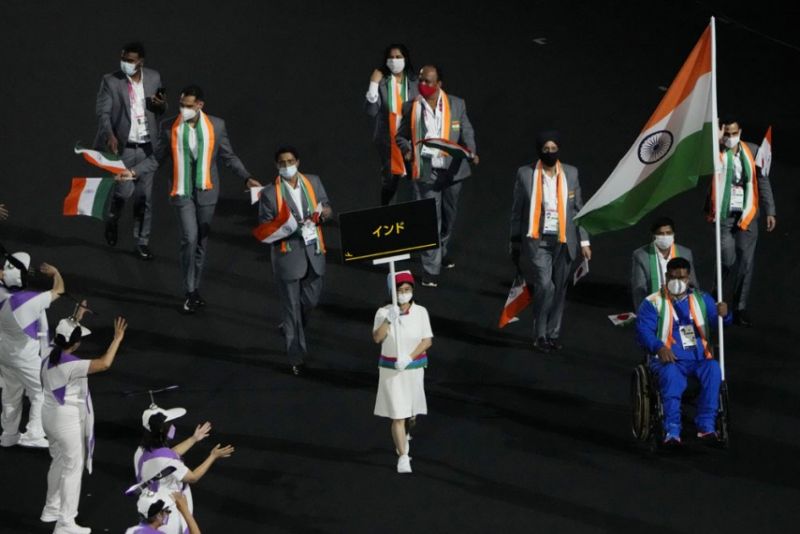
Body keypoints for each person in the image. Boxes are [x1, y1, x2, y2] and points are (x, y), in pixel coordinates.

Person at [122, 85, 260, 312]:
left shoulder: (217, 125)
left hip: (207, 191)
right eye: (181, 105)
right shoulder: (169, 127)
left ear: (199, 105)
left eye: (188, 106)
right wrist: (133, 172)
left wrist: (247, 178)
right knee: (189, 236)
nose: (183, 110)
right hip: (181, 191)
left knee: (201, 243)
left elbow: (228, 156)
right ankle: (189, 290)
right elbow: (156, 159)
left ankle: (194, 288)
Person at [40, 311, 127, 534]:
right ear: (76, 343)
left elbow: (64, 334)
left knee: (59, 461)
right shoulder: (72, 364)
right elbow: (105, 363)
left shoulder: (49, 351)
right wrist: (116, 339)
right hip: (65, 419)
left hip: (48, 415)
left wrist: (75, 318)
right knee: (72, 468)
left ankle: (51, 508)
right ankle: (65, 523)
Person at [396, 64, 478, 287]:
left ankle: (440, 251)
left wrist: (471, 150)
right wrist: (407, 150)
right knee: (429, 220)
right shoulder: (410, 107)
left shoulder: (457, 104)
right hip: (426, 172)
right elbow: (401, 136)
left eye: (428, 81)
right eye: (421, 80)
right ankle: (430, 269)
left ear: (439, 84)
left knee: (448, 217)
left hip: (453, 172)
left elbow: (466, 130)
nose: (423, 85)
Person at [509, 131, 591, 352]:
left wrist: (584, 242)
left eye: (554, 149)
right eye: (546, 149)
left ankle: (553, 334)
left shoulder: (571, 174)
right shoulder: (525, 174)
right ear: (539, 151)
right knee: (545, 286)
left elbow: (578, 209)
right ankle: (540, 334)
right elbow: (517, 210)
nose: (550, 153)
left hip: (565, 240)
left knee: (560, 289)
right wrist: (514, 241)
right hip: (538, 239)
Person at [636, 257, 732, 446]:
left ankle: (706, 426)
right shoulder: (652, 303)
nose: (678, 282)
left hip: (699, 358)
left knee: (714, 369)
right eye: (673, 277)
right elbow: (643, 331)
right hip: (668, 360)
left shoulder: (703, 299)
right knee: (671, 376)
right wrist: (659, 347)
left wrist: (725, 314)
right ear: (666, 276)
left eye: (682, 278)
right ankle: (672, 429)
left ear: (688, 278)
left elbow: (718, 323)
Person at [257, 146, 332, 376]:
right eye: (282, 162)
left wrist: (324, 214)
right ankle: (296, 357)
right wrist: (289, 227)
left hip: (314, 251)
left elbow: (326, 204)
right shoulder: (269, 193)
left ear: (298, 162)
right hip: (288, 256)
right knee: (291, 310)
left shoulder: (313, 181)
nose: (287, 166)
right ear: (276, 166)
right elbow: (265, 227)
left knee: (310, 300)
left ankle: (292, 326)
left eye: (290, 161)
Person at [94, 42, 167, 259]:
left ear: (141, 62)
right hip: (124, 147)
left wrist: (159, 104)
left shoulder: (153, 78)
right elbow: (103, 112)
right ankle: (113, 219)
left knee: (144, 197)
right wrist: (110, 134)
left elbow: (161, 110)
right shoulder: (110, 81)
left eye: (131, 60)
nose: (126, 63)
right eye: (123, 59)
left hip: (147, 146)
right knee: (123, 191)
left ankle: (142, 241)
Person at [706, 117, 776, 327]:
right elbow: (708, 166)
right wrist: (716, 143)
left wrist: (770, 210)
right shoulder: (716, 152)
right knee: (727, 259)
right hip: (724, 214)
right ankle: (715, 296)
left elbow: (763, 181)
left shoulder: (753, 151)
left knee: (746, 263)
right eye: (726, 133)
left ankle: (739, 307)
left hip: (747, 214)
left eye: (733, 133)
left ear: (740, 132)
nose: (729, 137)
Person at [134, 404, 234, 534]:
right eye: (168, 423)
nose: (171, 426)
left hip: (153, 506)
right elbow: (193, 477)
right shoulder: (165, 459)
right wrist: (213, 456)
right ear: (161, 429)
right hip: (172, 510)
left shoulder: (140, 452)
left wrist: (194, 439)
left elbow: (170, 455)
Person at [372, 271, 433, 474]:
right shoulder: (383, 312)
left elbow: (427, 340)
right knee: (398, 414)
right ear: (393, 292)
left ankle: (408, 426)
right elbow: (377, 338)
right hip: (391, 372)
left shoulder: (421, 312)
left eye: (407, 290)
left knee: (410, 412)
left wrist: (409, 357)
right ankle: (403, 456)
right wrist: (388, 320)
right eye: (400, 291)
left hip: (413, 369)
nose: (404, 294)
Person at [0, 256, 63, 448]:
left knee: (11, 394)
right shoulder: (29, 302)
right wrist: (56, 273)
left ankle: (9, 435)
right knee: (42, 391)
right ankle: (34, 433)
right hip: (24, 358)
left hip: (4, 353)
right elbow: (59, 290)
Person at [364, 43, 419, 205]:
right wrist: (373, 84)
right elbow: (371, 111)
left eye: (398, 57)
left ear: (405, 59)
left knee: (415, 179)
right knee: (390, 180)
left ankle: (416, 217)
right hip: (388, 140)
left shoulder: (415, 83)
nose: (394, 61)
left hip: (411, 137)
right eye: (391, 58)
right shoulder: (382, 83)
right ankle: (386, 214)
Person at [631, 216, 698, 309]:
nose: (665, 236)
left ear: (674, 234)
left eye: (668, 233)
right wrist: (643, 313)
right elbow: (639, 290)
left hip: (681, 304)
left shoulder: (685, 253)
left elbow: (693, 284)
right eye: (661, 234)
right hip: (655, 305)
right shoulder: (641, 255)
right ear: (653, 235)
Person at [125, 490, 201, 534]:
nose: (168, 513)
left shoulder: (131, 531)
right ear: (158, 515)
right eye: (166, 510)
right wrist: (185, 510)